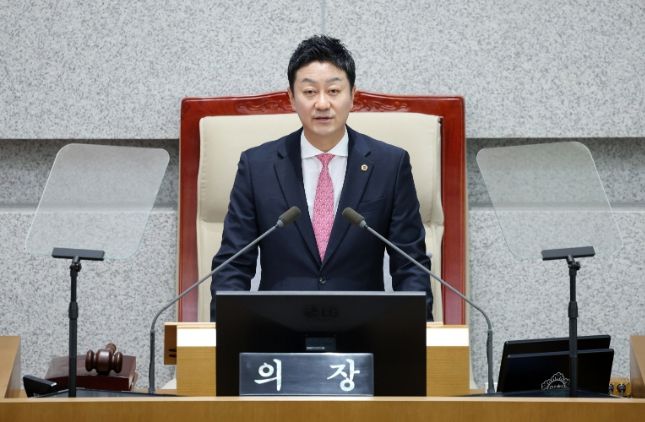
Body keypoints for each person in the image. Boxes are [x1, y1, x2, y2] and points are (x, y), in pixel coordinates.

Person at [210, 35, 433, 321]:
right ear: (291, 98)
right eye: (309, 92)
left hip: (363, 331)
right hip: (277, 331)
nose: (322, 103)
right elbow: (233, 265)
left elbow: (411, 266)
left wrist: (416, 335)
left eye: (334, 90)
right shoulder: (257, 166)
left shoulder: (390, 165)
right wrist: (227, 334)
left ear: (353, 95)